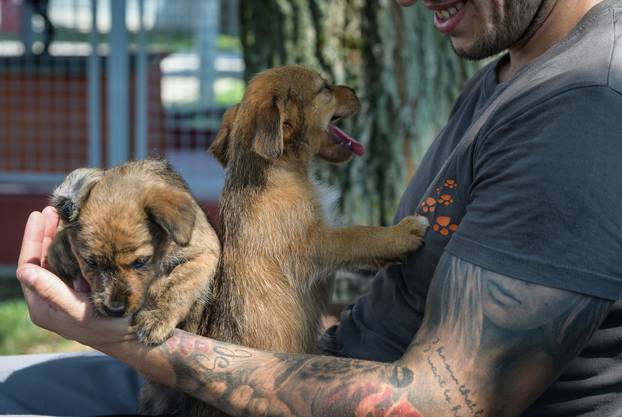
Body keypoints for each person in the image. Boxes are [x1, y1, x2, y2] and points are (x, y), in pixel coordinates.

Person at [7, 0, 622, 416]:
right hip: (310, 361)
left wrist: (139, 345)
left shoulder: (581, 108)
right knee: (12, 386)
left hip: (326, 394)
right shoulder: (511, 71)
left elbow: (439, 402)